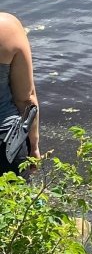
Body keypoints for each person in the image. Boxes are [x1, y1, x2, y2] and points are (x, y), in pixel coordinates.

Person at [0, 12, 40, 175]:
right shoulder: (7, 27)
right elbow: (25, 98)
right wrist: (34, 146)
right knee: (13, 199)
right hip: (6, 144)